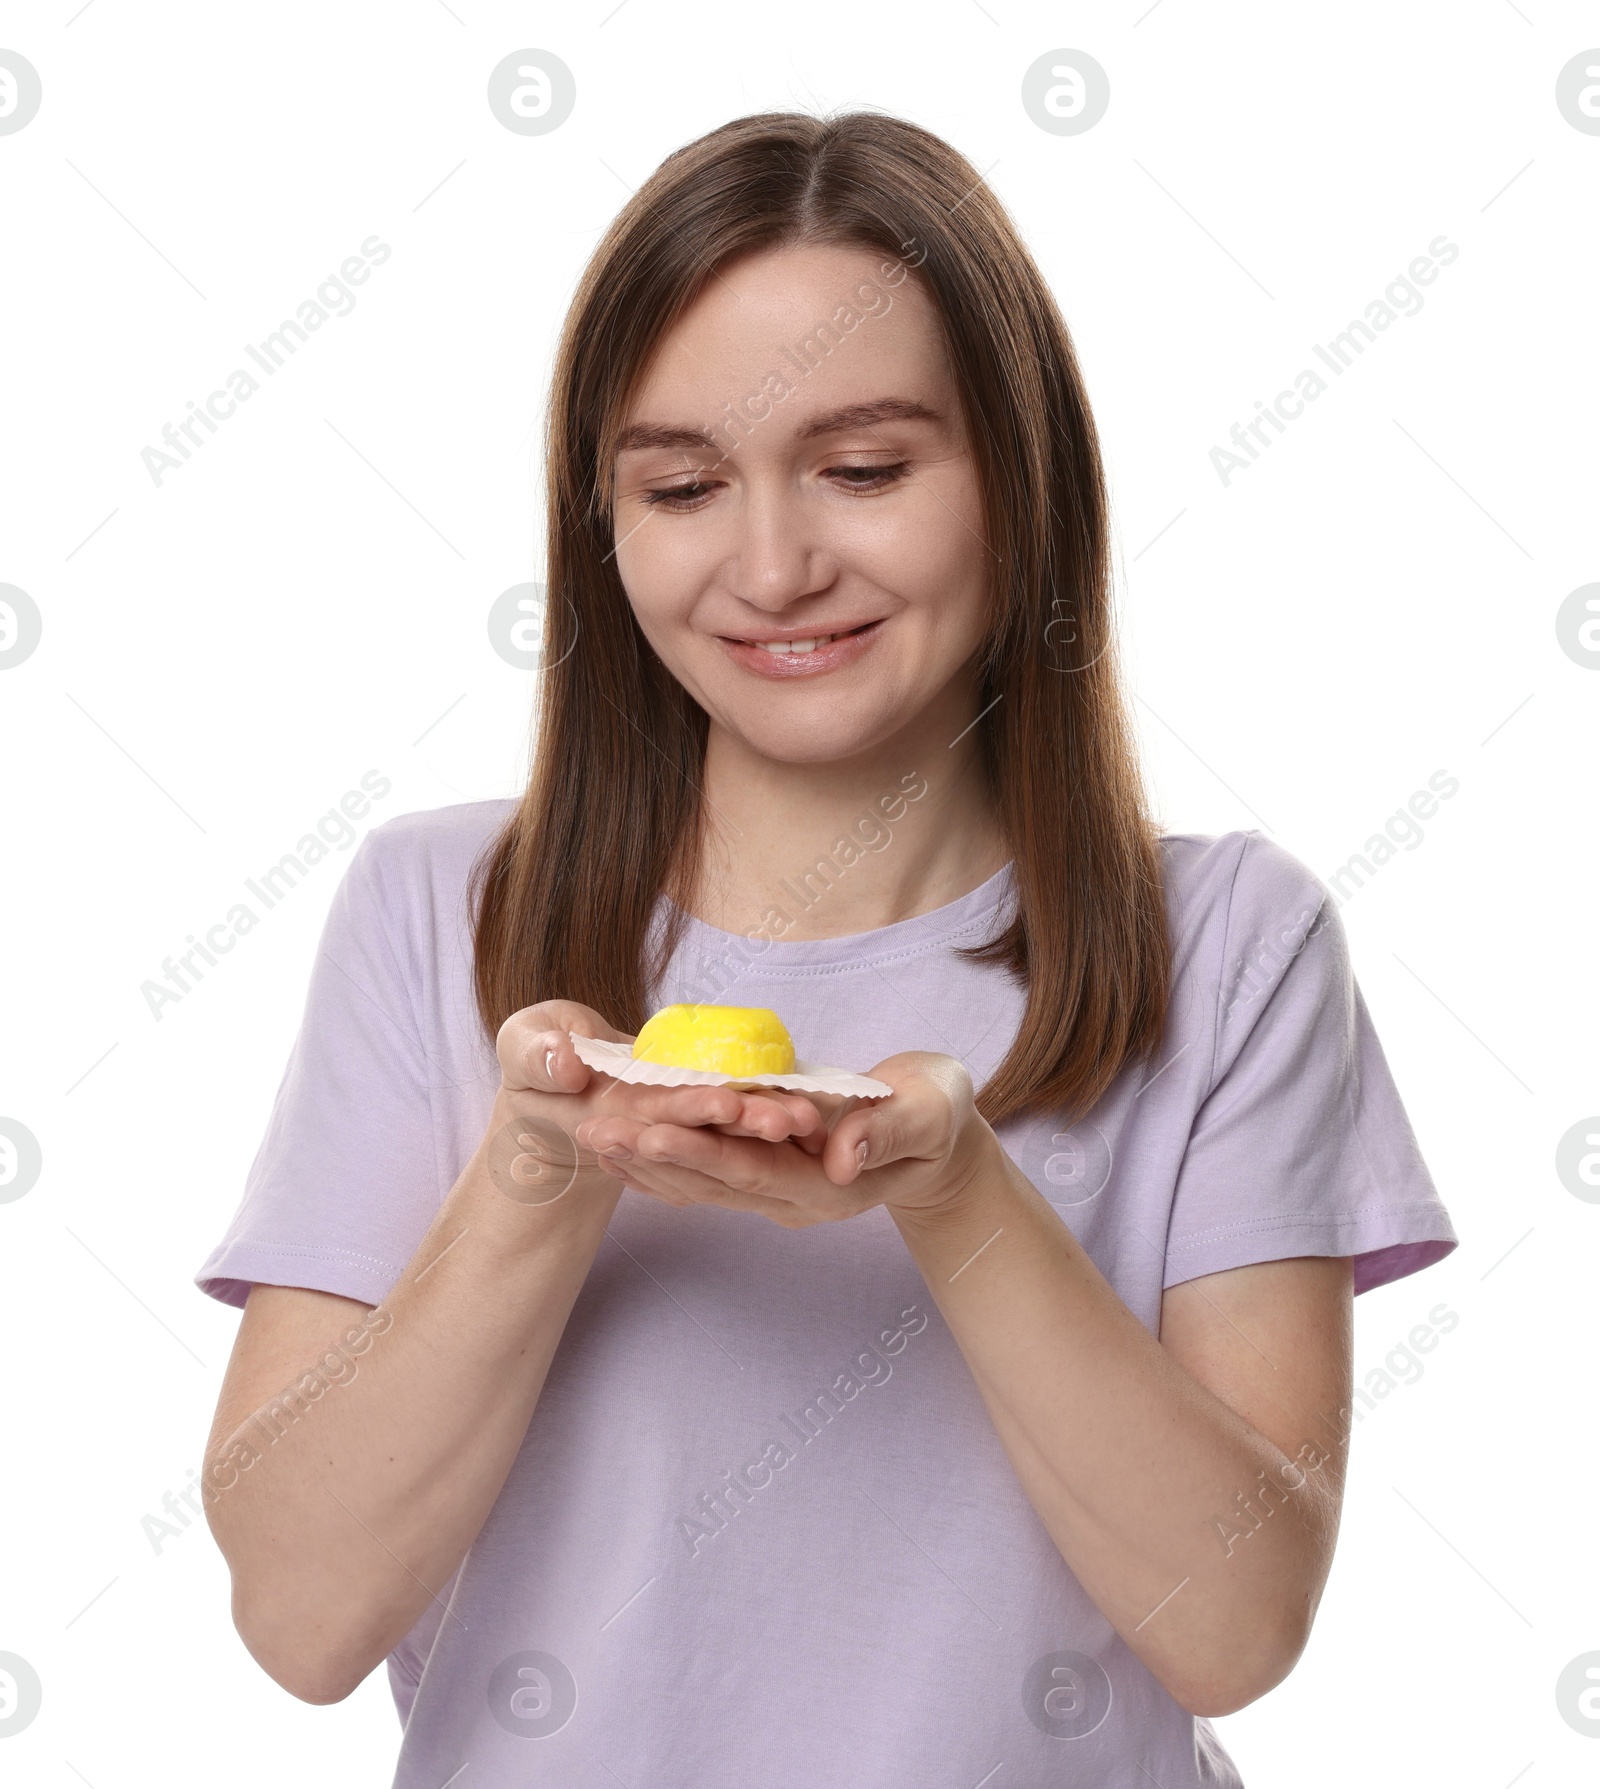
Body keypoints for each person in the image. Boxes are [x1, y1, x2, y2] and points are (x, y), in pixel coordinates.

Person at [195, 110, 1458, 1787]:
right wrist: (539, 1171)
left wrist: (957, 1192)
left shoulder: (1230, 944)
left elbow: (1235, 1630)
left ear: (1021, 479)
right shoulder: (443, 913)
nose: (775, 565)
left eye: (865, 469)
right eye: (682, 485)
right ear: (606, 524)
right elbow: (296, 1614)